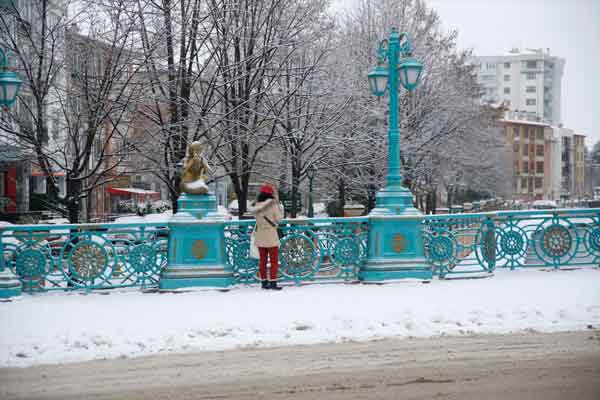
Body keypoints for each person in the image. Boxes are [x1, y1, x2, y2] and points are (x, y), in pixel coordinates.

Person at [249, 184, 284, 290]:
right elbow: (279, 219)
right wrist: (280, 209)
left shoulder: (256, 206)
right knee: (273, 261)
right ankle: (273, 283)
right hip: (271, 236)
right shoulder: (273, 205)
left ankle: (264, 283)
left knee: (262, 261)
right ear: (270, 194)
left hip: (260, 235)